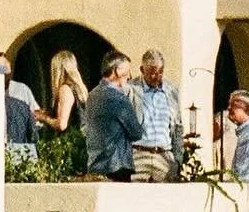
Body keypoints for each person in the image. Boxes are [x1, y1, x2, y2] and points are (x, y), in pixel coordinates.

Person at [85, 51, 144, 183]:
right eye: (127, 71)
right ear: (117, 71)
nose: (129, 76)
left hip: (95, 164)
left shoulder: (92, 96)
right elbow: (136, 133)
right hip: (117, 166)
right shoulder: (119, 99)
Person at [131, 48, 185, 182]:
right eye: (152, 73)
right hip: (138, 155)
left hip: (164, 156)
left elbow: (178, 127)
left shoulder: (171, 91)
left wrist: (178, 159)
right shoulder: (131, 90)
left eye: (160, 72)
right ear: (142, 70)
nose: (157, 76)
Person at [37, 50, 89, 132]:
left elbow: (62, 125)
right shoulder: (80, 89)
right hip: (80, 141)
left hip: (70, 142)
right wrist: (48, 114)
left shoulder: (65, 89)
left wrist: (43, 118)